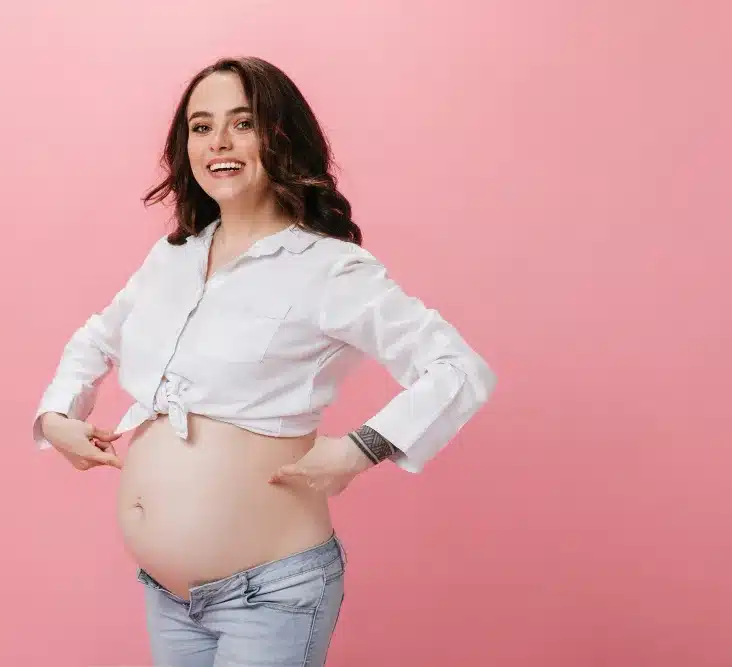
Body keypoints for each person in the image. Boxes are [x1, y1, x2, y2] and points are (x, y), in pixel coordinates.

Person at [31, 56, 496, 667]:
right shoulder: (172, 258)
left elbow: (457, 367)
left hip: (268, 595)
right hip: (168, 596)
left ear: (280, 137)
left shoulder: (328, 268)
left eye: (241, 123)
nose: (218, 142)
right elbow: (96, 337)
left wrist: (364, 446)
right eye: (201, 127)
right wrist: (59, 415)